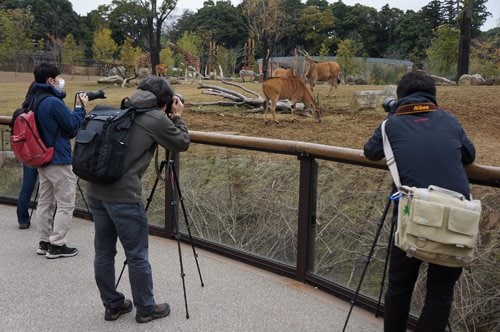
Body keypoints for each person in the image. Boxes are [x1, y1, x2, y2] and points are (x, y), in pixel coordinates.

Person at [363, 71, 476, 332]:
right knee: (440, 293)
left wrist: (392, 116)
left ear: (400, 97)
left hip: (410, 217)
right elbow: (470, 156)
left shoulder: (391, 125)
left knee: (400, 287)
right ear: (433, 97)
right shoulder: (449, 120)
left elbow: (370, 152)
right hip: (455, 219)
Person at [86, 77, 190, 323]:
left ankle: (113, 304)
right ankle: (145, 308)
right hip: (123, 196)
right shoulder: (156, 117)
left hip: (95, 191)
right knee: (137, 254)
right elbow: (182, 142)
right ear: (164, 101)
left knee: (103, 251)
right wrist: (178, 117)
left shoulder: (125, 108)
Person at [31, 63, 88, 258]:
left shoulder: (35, 100)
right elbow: (72, 124)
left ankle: (44, 241)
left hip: (42, 159)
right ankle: (57, 245)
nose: (59, 81)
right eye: (58, 78)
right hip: (58, 159)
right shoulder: (53, 103)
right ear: (50, 80)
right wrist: (80, 108)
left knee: (45, 202)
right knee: (65, 203)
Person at [14, 81, 38, 229]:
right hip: (43, 152)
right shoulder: (41, 109)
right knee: (50, 188)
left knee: (27, 187)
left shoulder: (20, 112)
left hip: (26, 153)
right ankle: (54, 217)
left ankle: (23, 219)